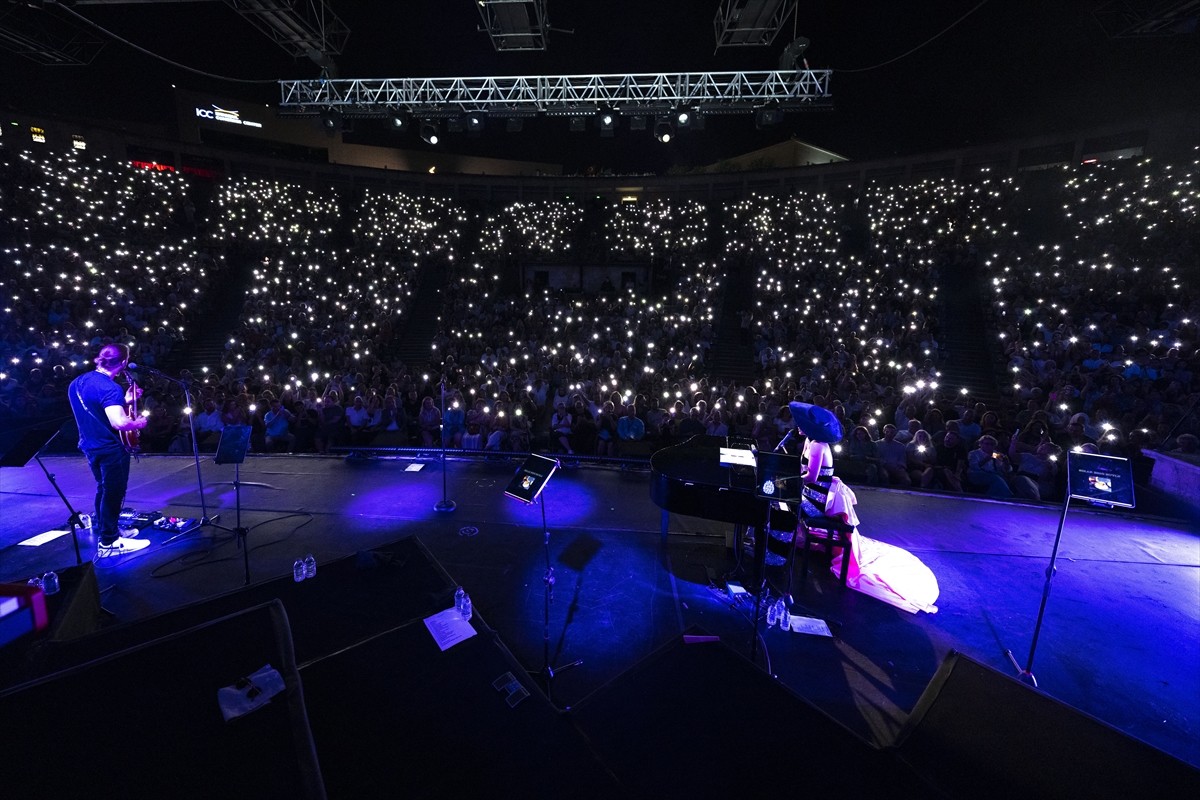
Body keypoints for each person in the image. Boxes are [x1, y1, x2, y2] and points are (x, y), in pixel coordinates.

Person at [68, 343, 150, 558]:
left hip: (90, 445)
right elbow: (119, 423)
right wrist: (139, 423)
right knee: (114, 492)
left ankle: (108, 530)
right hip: (110, 448)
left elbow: (97, 408)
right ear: (123, 363)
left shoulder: (78, 382)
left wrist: (125, 401)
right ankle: (109, 543)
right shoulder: (109, 387)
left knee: (103, 489)